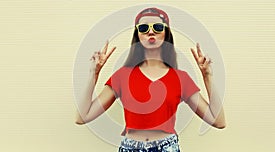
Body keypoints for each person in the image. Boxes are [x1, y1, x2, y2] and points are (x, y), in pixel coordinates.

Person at [75, 7, 226, 152]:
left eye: (158, 27)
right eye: (143, 28)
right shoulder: (122, 76)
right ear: (138, 35)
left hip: (167, 147)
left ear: (166, 33)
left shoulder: (181, 79)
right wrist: (93, 74)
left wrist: (207, 76)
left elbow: (218, 121)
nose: (151, 31)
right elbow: (83, 117)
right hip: (130, 148)